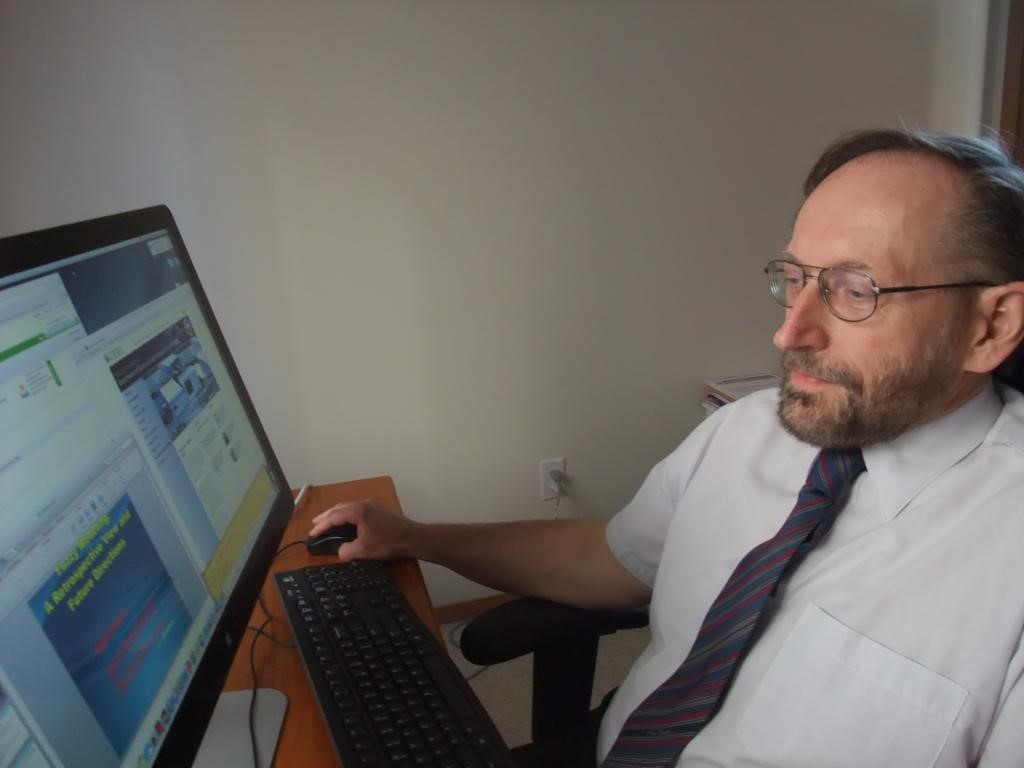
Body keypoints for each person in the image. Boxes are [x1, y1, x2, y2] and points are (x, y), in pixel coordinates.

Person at [310, 128, 1024, 767]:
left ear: (991, 326)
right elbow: (607, 561)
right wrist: (418, 538)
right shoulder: (747, 430)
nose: (789, 332)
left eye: (856, 290)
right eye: (795, 279)